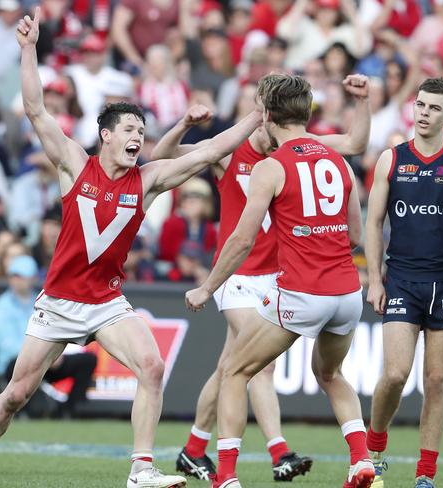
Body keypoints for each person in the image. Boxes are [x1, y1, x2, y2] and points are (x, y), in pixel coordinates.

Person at [0, 8, 262, 488]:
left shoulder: (149, 178)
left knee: (152, 366)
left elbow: (211, 150)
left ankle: (141, 469)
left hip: (106, 302)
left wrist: (258, 112)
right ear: (106, 136)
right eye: (129, 130)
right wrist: (29, 49)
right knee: (16, 395)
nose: (138, 136)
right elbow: (35, 109)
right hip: (59, 301)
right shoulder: (75, 163)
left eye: (142, 131)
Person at [151, 74, 371, 482]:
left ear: (267, 114)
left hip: (287, 282)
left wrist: (204, 287)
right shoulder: (233, 151)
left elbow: (242, 237)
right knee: (271, 369)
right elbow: (162, 160)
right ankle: (305, 453)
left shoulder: (275, 164)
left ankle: (208, 458)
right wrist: (183, 124)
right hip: (254, 280)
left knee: (233, 369)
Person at [364, 77, 443, 488]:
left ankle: (425, 475)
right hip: (401, 280)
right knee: (395, 374)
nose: (424, 113)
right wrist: (373, 278)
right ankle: (374, 447)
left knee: (436, 379)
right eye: (420, 105)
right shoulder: (391, 159)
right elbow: (374, 222)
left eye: (434, 108)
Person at [0, 254, 97, 418]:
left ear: (32, 278)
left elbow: (58, 329)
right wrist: (44, 354)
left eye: (22, 276)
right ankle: (23, 412)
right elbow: (6, 344)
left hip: (47, 360)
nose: (17, 281)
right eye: (14, 276)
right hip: (18, 364)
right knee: (14, 364)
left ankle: (67, 411)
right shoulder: (0, 307)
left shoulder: (43, 301)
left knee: (88, 360)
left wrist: (53, 353)